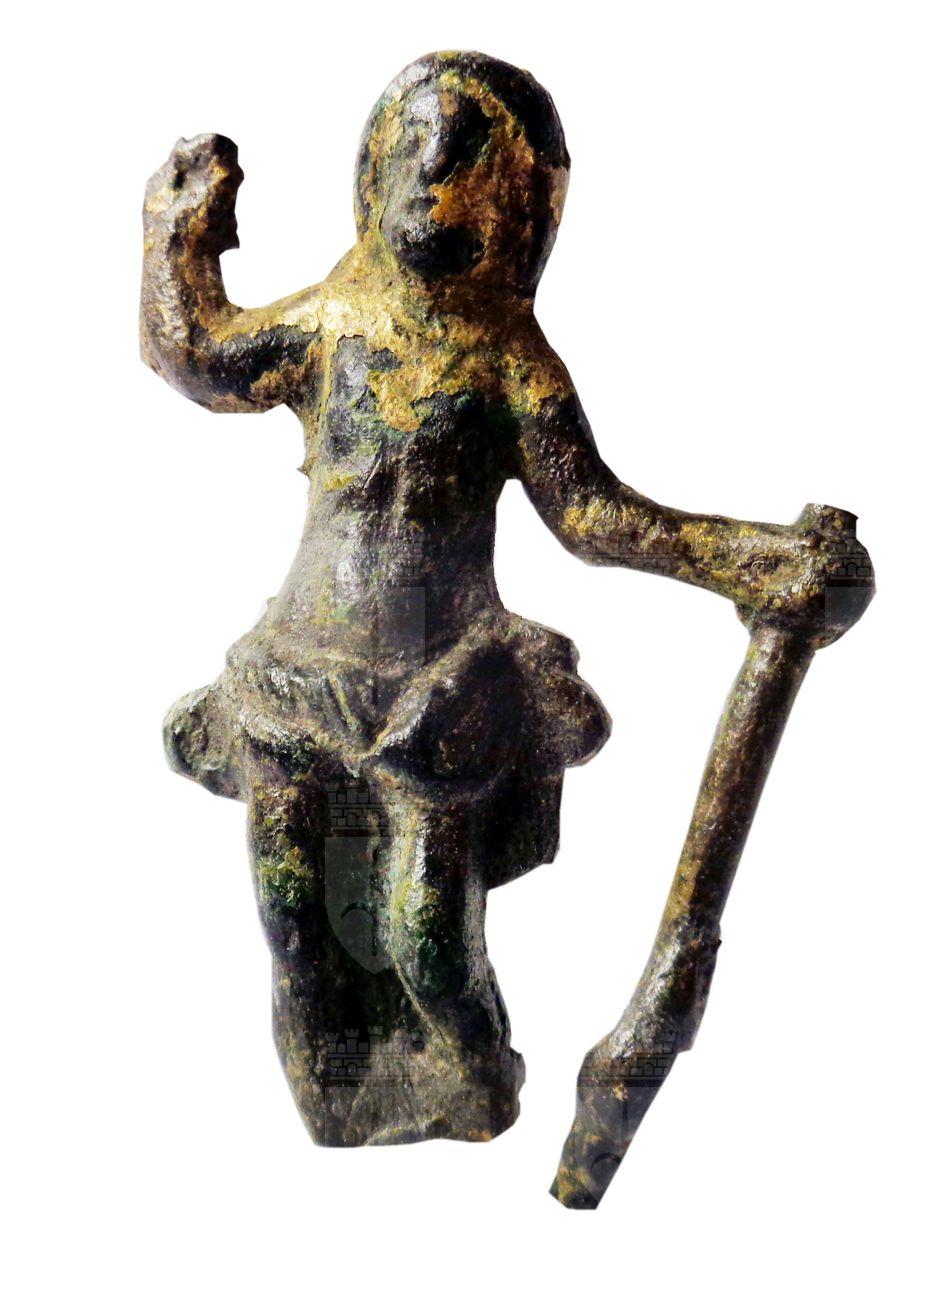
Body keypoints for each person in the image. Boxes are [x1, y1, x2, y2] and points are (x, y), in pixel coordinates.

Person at [141, 51, 850, 1145]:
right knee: (293, 922)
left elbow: (594, 516)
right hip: (295, 672)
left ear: (520, 215)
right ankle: (336, 1092)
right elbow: (198, 355)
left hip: (437, 684)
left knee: (428, 935)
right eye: (419, 156)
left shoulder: (511, 361)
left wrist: (746, 560)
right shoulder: (331, 320)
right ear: (373, 173)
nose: (437, 184)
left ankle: (472, 1078)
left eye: (471, 171)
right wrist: (177, 233)